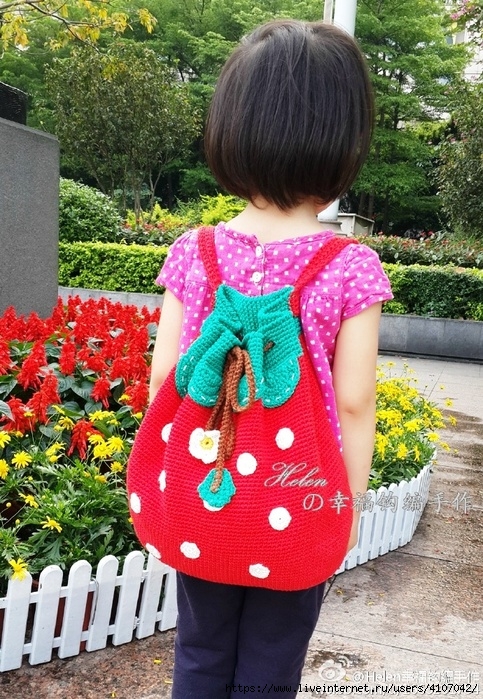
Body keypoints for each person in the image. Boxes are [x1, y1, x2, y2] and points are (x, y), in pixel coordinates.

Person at [149, 19, 393, 699]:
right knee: (272, 662)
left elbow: (165, 379)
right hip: (297, 498)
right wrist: (343, 506)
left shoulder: (193, 252)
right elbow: (354, 403)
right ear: (343, 141)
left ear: (231, 128)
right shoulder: (350, 266)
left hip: (206, 492)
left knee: (199, 649)